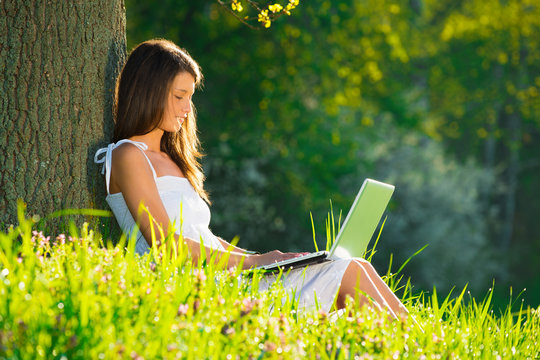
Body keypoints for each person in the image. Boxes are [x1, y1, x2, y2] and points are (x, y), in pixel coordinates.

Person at [94, 39, 408, 318]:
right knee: (350, 270)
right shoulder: (127, 156)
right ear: (150, 92)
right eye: (179, 96)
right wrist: (256, 262)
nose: (187, 108)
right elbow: (166, 246)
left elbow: (204, 238)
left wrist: (272, 261)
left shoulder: (172, 160)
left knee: (358, 266)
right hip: (193, 290)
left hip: (222, 278)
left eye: (190, 97)